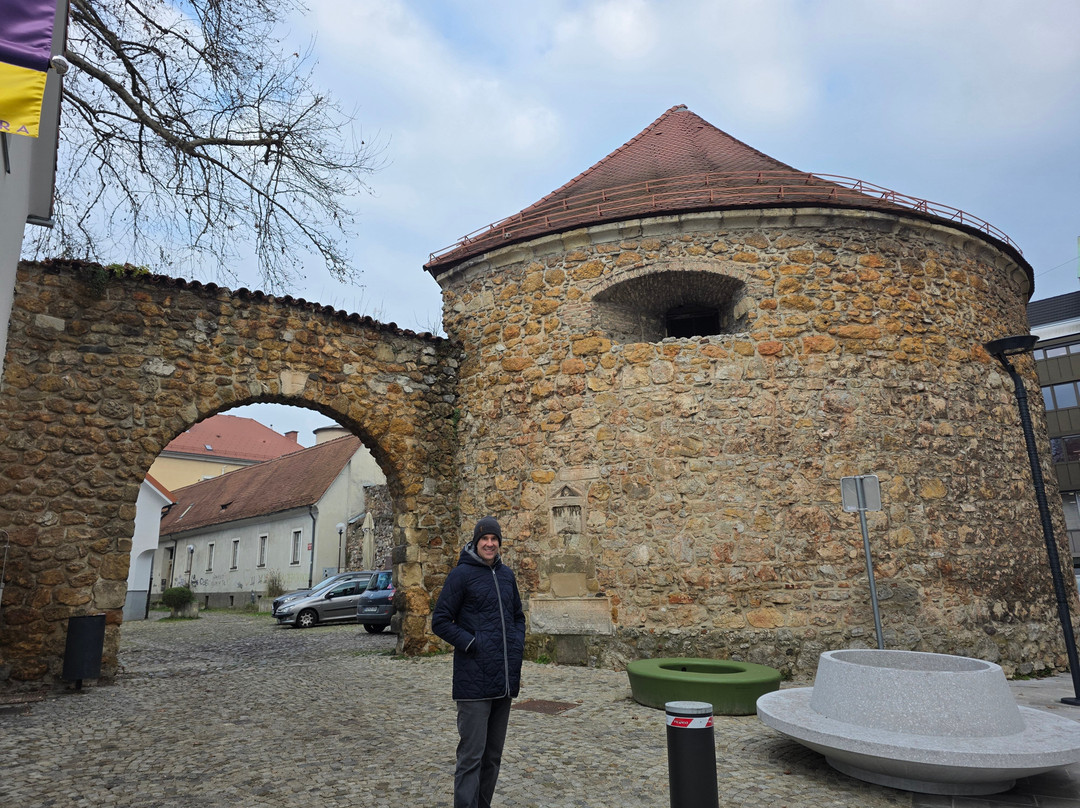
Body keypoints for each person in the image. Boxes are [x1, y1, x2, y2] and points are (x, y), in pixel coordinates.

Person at [432, 516, 526, 808]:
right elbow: (440, 621)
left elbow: (518, 617)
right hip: (473, 683)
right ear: (475, 542)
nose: (489, 544)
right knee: (471, 757)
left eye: (494, 539)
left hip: (503, 681)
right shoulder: (461, 575)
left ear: (499, 543)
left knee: (493, 756)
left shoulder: (507, 575)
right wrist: (472, 643)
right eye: (484, 539)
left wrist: (515, 643)